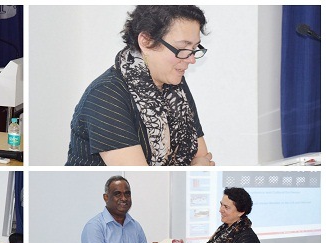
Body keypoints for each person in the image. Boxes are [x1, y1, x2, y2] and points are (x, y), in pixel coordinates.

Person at [66, 6, 215, 166]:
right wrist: (194, 169)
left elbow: (203, 156)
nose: (191, 59)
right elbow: (139, 179)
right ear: (146, 41)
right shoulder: (106, 95)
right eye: (182, 48)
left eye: (193, 48)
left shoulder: (175, 87)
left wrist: (198, 166)